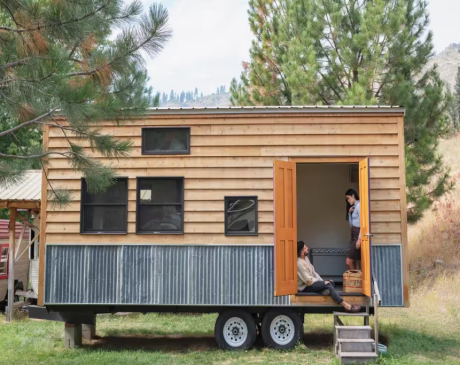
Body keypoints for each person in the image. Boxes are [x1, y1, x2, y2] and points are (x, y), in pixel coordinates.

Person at [297, 241, 361, 313]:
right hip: (305, 286)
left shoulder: (306, 259)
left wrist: (322, 281)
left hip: (312, 282)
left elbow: (314, 273)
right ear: (302, 252)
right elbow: (308, 281)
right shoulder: (299, 263)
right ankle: (346, 305)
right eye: (305, 248)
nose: (307, 248)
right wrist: (323, 283)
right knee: (328, 284)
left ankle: (324, 291)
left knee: (331, 282)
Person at [345, 188, 361, 271]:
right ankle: (358, 282)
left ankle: (354, 281)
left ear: (353, 196)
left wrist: (359, 239)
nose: (348, 200)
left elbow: (363, 224)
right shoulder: (354, 207)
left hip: (357, 235)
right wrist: (349, 213)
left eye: (348, 198)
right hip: (353, 235)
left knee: (349, 261)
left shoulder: (359, 206)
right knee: (356, 261)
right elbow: (351, 224)